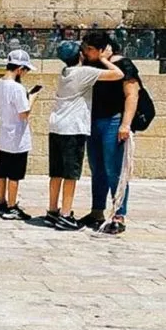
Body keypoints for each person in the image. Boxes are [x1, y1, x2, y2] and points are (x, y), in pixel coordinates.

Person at [46, 41, 122, 230]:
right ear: (80, 55)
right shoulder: (84, 72)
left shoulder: (64, 73)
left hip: (57, 126)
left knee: (56, 172)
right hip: (73, 128)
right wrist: (104, 59)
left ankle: (52, 210)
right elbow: (118, 74)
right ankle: (65, 215)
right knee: (70, 174)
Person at [79, 34, 140, 234]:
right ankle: (97, 211)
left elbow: (132, 94)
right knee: (98, 169)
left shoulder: (123, 64)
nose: (85, 52)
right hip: (94, 121)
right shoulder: (91, 65)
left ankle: (119, 215)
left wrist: (126, 124)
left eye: (89, 49)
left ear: (102, 49)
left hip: (114, 121)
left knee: (114, 170)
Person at [0, 49, 39, 220]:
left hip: (4, 134)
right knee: (14, 174)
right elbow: (24, 113)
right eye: (25, 70)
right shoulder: (17, 88)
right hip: (17, 137)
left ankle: (1, 203)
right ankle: (11, 207)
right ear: (20, 69)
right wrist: (33, 97)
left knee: (2, 171)